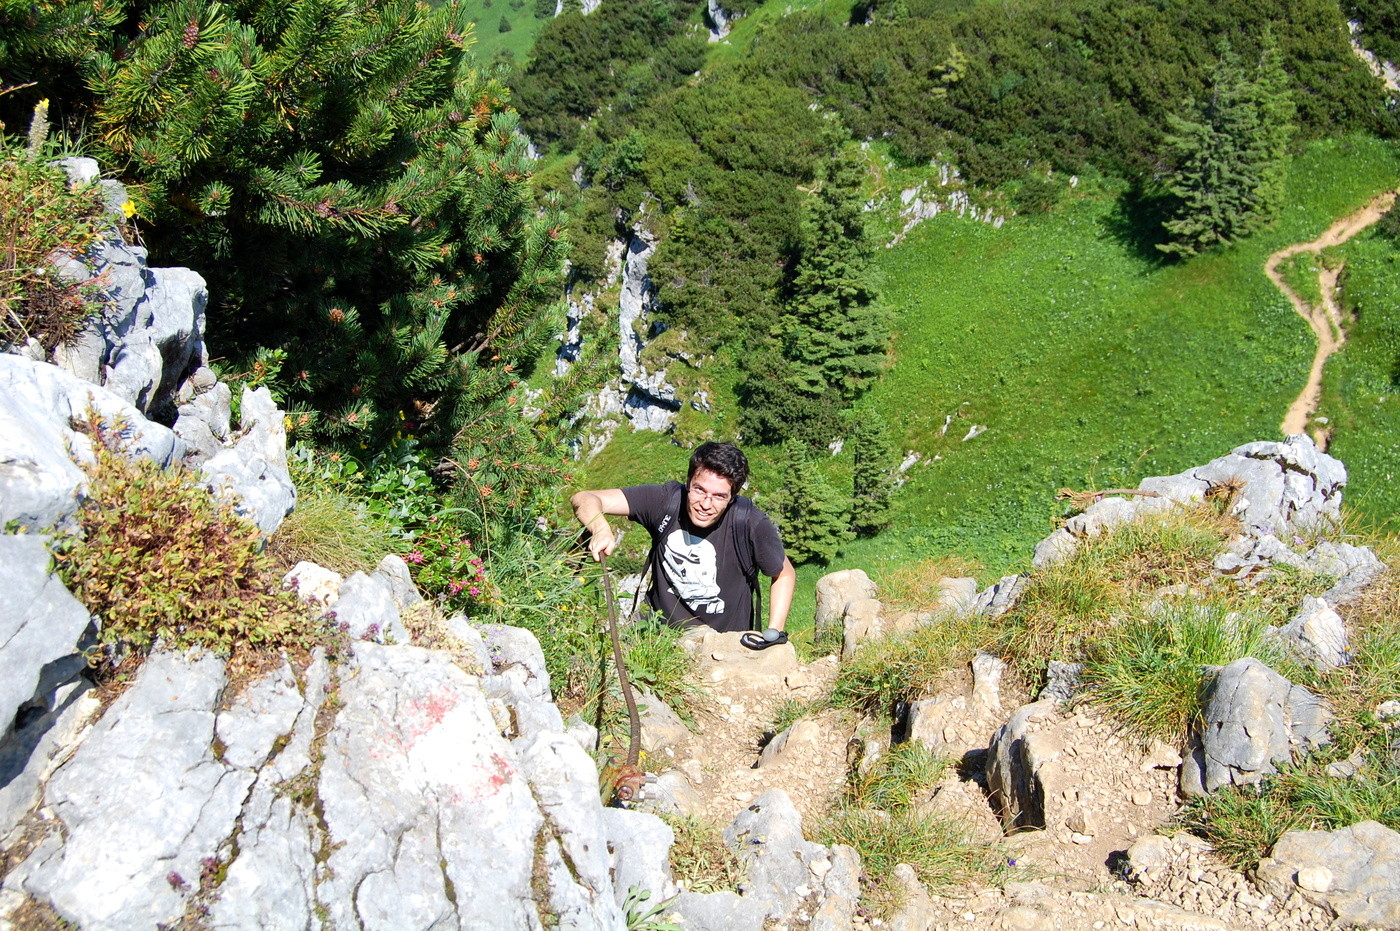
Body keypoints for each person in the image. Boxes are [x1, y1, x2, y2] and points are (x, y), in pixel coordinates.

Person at [570, 441, 796, 650]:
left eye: (719, 496)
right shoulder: (666, 501)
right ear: (688, 483)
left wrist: (773, 632)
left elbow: (784, 573)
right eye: (699, 490)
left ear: (732, 497)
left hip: (722, 645)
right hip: (654, 634)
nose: (706, 504)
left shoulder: (749, 523)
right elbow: (584, 498)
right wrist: (600, 528)